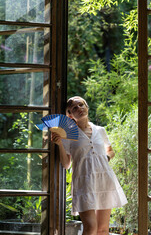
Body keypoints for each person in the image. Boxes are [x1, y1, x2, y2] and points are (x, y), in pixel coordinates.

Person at [51, 96, 127, 235]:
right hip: (83, 182)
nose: (79, 108)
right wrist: (60, 144)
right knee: (91, 228)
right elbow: (66, 164)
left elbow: (110, 151)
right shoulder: (68, 135)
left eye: (81, 105)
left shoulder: (100, 130)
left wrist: (105, 158)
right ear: (70, 115)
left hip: (104, 180)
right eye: (74, 108)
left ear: (87, 107)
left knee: (102, 230)